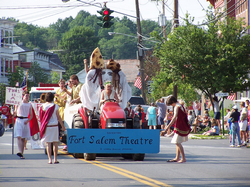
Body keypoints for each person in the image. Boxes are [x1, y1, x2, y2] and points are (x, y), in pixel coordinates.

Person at [162, 96, 191, 163]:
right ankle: (177, 157)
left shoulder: (177, 107)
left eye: (170, 104)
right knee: (177, 142)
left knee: (177, 142)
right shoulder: (180, 105)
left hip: (180, 126)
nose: (171, 105)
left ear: (172, 102)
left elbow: (174, 117)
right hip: (181, 125)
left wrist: (168, 126)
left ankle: (183, 158)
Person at [39, 92, 66, 164]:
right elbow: (59, 117)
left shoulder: (43, 106)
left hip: (47, 126)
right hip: (55, 126)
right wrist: (63, 126)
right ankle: (55, 159)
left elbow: (41, 118)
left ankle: (50, 159)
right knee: (55, 143)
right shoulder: (55, 106)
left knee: (48, 144)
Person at [14, 91, 33, 159]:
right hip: (19, 120)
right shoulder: (18, 103)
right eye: (26, 96)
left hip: (25, 120)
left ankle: (21, 153)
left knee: (23, 138)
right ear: (23, 96)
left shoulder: (29, 104)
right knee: (19, 136)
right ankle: (19, 151)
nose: (27, 97)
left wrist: (27, 121)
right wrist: (13, 113)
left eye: (28, 96)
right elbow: (15, 113)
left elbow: (31, 115)